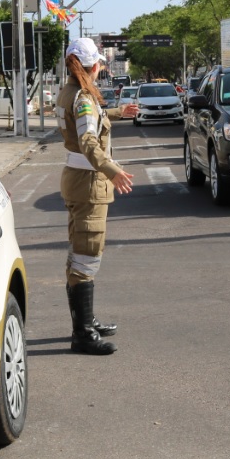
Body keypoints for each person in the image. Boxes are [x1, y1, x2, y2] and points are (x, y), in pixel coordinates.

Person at [57, 38, 139, 355]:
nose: (102, 68)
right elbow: (89, 140)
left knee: (79, 251)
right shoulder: (83, 99)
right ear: (93, 66)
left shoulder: (70, 93)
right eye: (100, 64)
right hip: (89, 182)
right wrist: (111, 169)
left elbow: (92, 120)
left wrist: (117, 112)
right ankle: (83, 334)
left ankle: (85, 320)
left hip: (77, 179)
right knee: (87, 255)